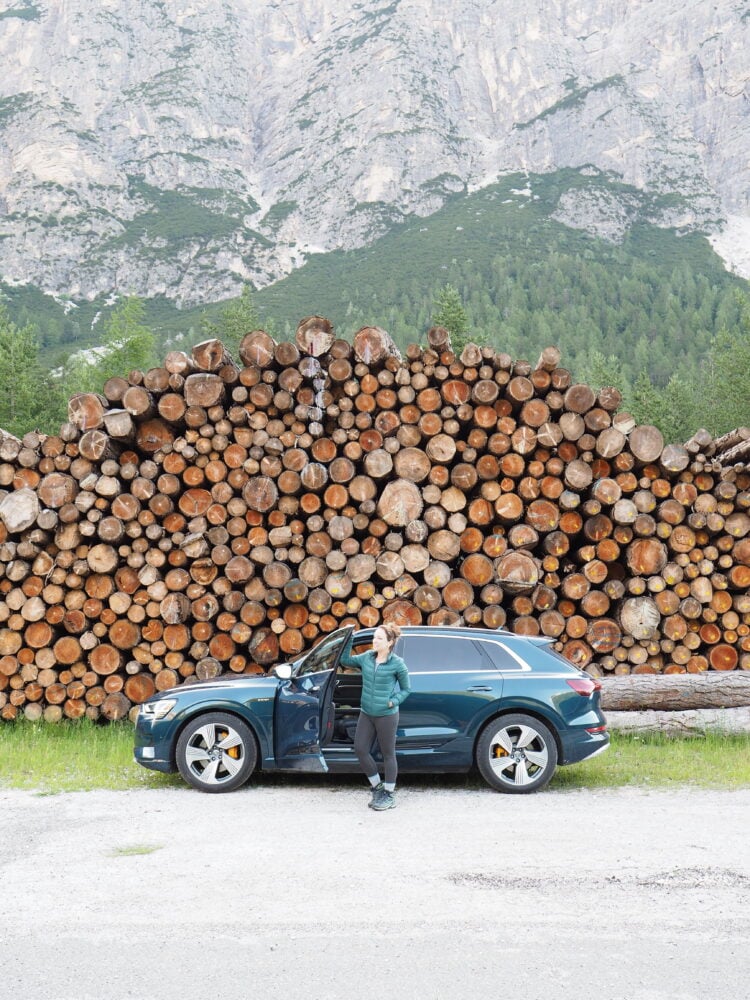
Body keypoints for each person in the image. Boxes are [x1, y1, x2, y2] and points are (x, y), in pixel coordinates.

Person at [339, 624, 410, 811]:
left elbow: (406, 689)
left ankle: (389, 793)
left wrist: (393, 702)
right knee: (360, 749)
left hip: (387, 715)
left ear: (390, 642)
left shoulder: (397, 663)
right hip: (367, 713)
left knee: (388, 754)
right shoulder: (367, 658)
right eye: (374, 637)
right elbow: (345, 659)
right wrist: (349, 638)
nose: (374, 641)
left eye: (379, 638)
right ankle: (377, 787)